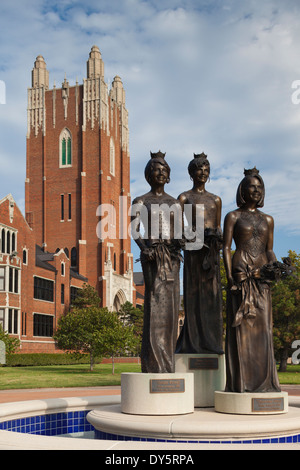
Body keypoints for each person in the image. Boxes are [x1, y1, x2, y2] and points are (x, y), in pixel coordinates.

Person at [223, 167, 281, 393]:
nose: (256, 190)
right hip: (242, 277)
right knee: (243, 331)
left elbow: (270, 250)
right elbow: (226, 247)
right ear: (242, 190)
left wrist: (275, 268)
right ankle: (242, 383)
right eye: (251, 186)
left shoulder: (268, 219)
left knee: (263, 330)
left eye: (259, 187)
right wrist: (229, 277)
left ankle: (265, 383)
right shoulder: (233, 216)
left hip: (262, 279)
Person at [131, 151, 183, 373]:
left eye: (164, 170)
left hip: (172, 259)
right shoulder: (140, 201)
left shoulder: (175, 202)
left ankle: (168, 362)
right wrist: (145, 249)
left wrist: (183, 242)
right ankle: (153, 363)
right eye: (156, 169)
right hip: (152, 259)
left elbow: (181, 232)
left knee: (171, 307)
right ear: (148, 174)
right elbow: (133, 230)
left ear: (168, 175)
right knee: (154, 306)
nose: (160, 172)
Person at [176, 153, 224, 355]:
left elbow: (219, 228)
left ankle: (212, 342)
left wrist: (216, 239)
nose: (202, 173)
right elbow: (178, 229)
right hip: (194, 253)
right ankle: (193, 341)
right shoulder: (184, 198)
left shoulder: (216, 199)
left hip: (211, 255)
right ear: (191, 173)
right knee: (194, 296)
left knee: (212, 298)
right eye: (198, 169)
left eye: (206, 170)